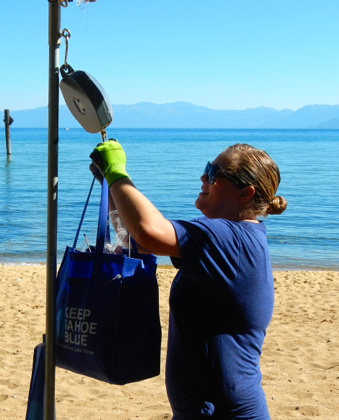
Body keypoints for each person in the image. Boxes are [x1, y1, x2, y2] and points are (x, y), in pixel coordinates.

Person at [90, 141, 286, 419]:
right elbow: (135, 241)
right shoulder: (230, 239)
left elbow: (148, 232)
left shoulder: (230, 239)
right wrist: (112, 187)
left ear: (245, 193)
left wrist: (117, 171)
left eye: (215, 172)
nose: (204, 177)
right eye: (207, 168)